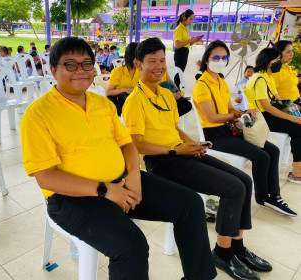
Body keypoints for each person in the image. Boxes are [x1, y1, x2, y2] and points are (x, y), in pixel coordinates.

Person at [20, 36, 217, 280]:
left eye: (87, 64)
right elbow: (46, 177)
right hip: (71, 198)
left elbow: (127, 145)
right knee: (131, 245)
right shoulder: (38, 114)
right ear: (53, 69)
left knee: (190, 204)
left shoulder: (103, 104)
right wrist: (105, 191)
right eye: (70, 64)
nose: (81, 71)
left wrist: (133, 176)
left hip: (122, 181)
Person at [123, 36, 273, 280]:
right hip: (163, 162)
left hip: (183, 152)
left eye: (162, 60)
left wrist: (191, 143)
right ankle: (223, 253)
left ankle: (237, 247)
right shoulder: (134, 101)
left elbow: (174, 128)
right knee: (233, 188)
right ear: (139, 64)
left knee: (244, 181)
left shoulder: (164, 93)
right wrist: (176, 150)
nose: (160, 66)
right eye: (152, 61)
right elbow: (137, 145)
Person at [192, 40, 296, 216]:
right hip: (215, 136)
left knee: (273, 150)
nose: (220, 60)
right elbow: (212, 117)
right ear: (207, 60)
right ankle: (263, 197)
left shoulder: (220, 81)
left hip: (229, 129)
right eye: (216, 57)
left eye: (224, 57)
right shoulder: (202, 85)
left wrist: (244, 111)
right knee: (261, 156)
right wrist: (235, 116)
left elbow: (230, 108)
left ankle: (275, 195)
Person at [245, 47, 301, 185]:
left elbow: (278, 100)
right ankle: (297, 172)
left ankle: (297, 170)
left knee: (298, 130)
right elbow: (267, 107)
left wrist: (292, 109)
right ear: (269, 62)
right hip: (262, 118)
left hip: (269, 115)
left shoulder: (268, 77)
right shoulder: (259, 79)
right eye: (277, 60)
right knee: (299, 129)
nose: (280, 63)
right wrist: (293, 118)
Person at [173, 9, 202, 88]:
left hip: (185, 51)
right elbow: (177, 45)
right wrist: (190, 40)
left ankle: (177, 88)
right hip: (180, 52)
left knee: (181, 72)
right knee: (178, 72)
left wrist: (194, 40)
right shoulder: (179, 29)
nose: (191, 21)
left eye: (192, 19)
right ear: (185, 18)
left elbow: (188, 44)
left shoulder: (185, 28)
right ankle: (176, 89)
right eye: (190, 19)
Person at [272, 40, 301, 105]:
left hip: (296, 103)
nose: (292, 54)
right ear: (279, 53)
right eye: (288, 52)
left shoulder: (287, 67)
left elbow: (291, 82)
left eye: (292, 51)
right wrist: (287, 106)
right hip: (288, 108)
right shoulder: (276, 71)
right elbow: (272, 93)